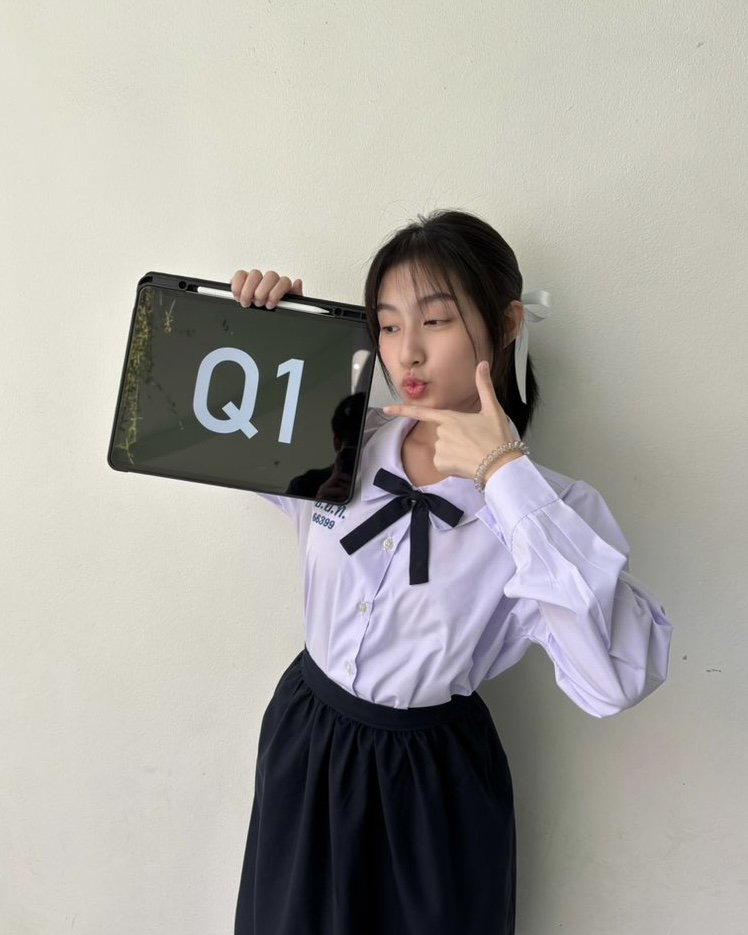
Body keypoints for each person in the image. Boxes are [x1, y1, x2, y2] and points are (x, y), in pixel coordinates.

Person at [228, 210, 672, 935]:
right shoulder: (345, 438)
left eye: (435, 321)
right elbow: (214, 433)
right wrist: (259, 331)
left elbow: (616, 680)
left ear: (505, 324)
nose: (407, 351)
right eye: (389, 324)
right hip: (306, 742)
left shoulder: (551, 508)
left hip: (430, 781)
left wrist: (505, 477)